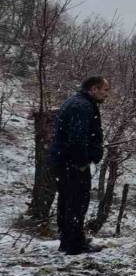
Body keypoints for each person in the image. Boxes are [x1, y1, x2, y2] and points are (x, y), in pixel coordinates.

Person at [49, 76, 109, 255]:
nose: (107, 94)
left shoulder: (78, 103)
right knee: (76, 202)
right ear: (94, 89)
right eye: (105, 90)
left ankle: (69, 240)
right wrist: (81, 163)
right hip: (72, 164)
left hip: (65, 162)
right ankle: (74, 244)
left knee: (68, 201)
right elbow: (77, 137)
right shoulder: (82, 106)